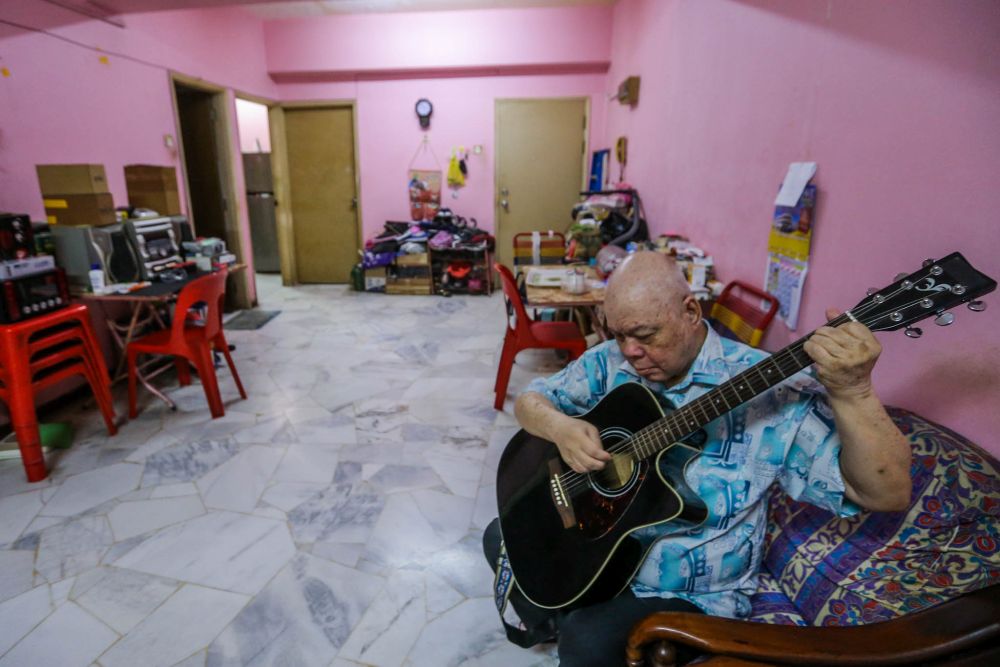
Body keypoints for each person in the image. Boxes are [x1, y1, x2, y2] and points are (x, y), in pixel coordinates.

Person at [483, 251, 911, 666]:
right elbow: (531, 401)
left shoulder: (775, 392)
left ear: (690, 311)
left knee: (587, 638)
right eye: (617, 335)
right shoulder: (611, 360)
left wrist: (854, 391)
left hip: (693, 594)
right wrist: (560, 428)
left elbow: (885, 493)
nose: (629, 351)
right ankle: (564, 603)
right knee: (501, 535)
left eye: (646, 335)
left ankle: (568, 612)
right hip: (601, 547)